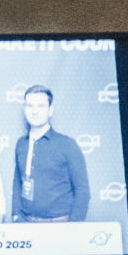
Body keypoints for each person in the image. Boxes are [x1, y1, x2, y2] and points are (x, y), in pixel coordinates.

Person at [8, 85, 90, 221]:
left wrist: (73, 227)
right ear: (24, 109)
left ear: (50, 110)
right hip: (26, 224)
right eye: (30, 106)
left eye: (40, 106)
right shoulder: (21, 144)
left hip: (60, 224)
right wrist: (16, 215)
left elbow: (82, 191)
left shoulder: (67, 145)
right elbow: (18, 182)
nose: (34, 111)